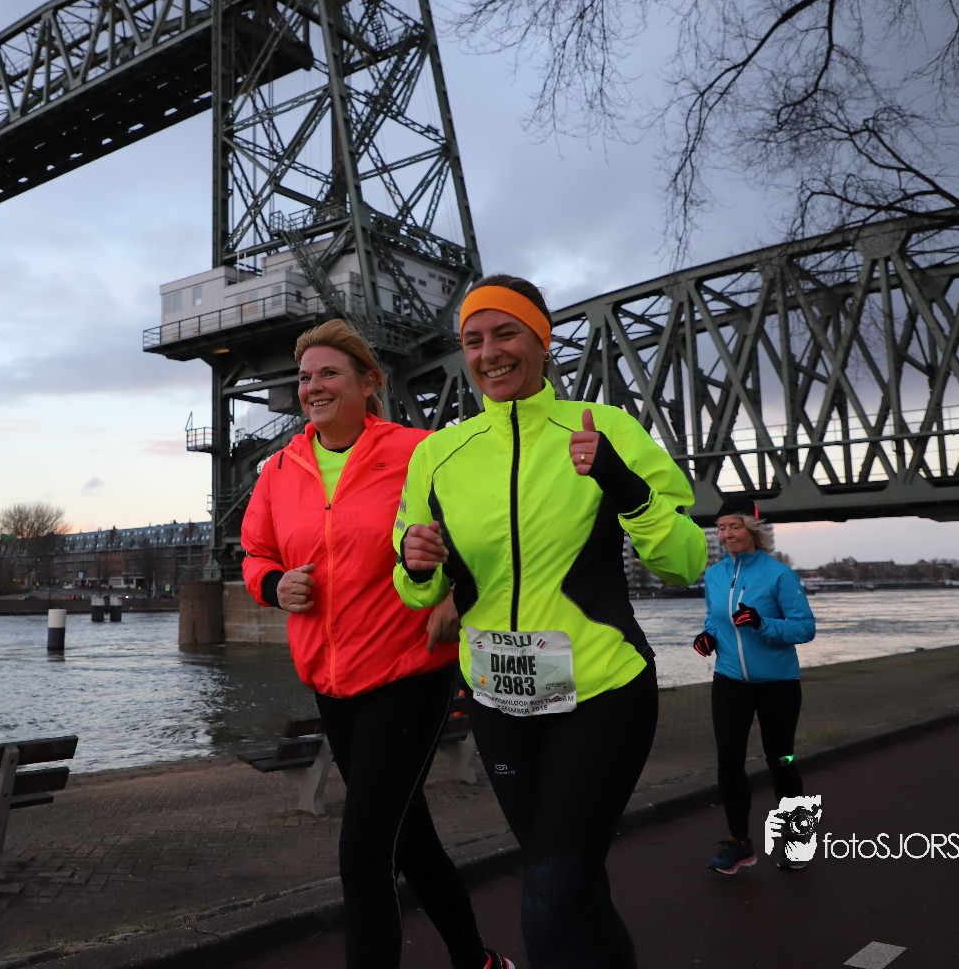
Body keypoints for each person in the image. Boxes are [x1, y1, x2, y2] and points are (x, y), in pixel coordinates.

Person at [394, 275, 707, 969]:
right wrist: (416, 566)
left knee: (551, 887)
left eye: (506, 333)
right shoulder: (437, 455)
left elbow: (685, 561)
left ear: (542, 339)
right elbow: (420, 590)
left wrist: (623, 486)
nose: (490, 353)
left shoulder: (605, 428)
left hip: (601, 692)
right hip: (498, 700)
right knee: (569, 883)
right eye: (473, 340)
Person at [240, 318, 513, 969]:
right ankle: (477, 961)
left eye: (329, 373)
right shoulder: (279, 470)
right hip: (331, 683)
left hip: (408, 674)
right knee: (410, 839)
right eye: (305, 377)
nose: (313, 386)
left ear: (370, 383)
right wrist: (274, 584)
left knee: (364, 857)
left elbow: (486, 538)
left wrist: (453, 597)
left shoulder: (420, 453)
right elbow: (255, 552)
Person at [691, 496, 817, 873]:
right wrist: (708, 637)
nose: (727, 534)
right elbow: (714, 620)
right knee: (728, 761)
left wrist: (762, 623)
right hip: (730, 681)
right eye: (722, 528)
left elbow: (804, 628)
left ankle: (797, 840)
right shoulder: (714, 576)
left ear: (753, 529)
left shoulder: (779, 575)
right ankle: (739, 843)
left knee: (782, 759)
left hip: (778, 683)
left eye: (735, 526)